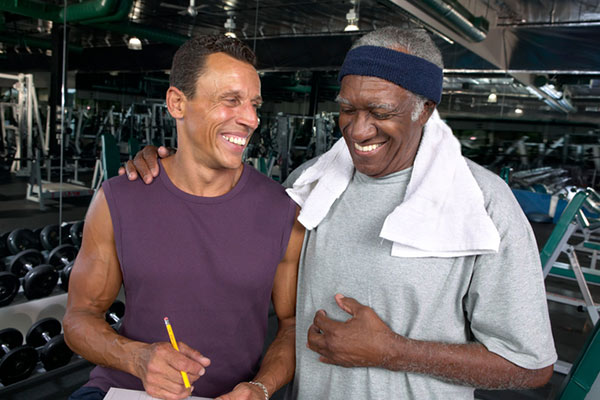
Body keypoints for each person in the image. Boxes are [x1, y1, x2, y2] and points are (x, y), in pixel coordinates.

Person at [124, 27, 556, 399]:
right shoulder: (311, 184)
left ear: (424, 110)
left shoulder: (482, 205)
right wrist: (160, 169)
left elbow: (530, 366)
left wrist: (394, 352)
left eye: (380, 112)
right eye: (347, 109)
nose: (359, 129)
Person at [63, 35, 304, 400]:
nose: (252, 119)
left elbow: (292, 325)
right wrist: (138, 358)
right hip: (123, 390)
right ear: (177, 102)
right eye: (231, 101)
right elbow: (78, 318)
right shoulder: (118, 198)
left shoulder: (284, 212)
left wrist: (260, 387)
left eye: (254, 104)